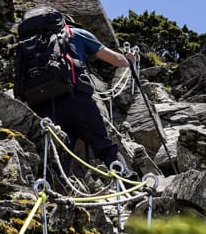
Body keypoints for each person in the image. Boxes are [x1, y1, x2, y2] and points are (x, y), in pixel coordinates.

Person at [27, 10, 135, 177]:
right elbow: (117, 60)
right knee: (104, 146)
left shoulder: (32, 43)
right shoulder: (75, 33)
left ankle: (55, 194)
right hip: (76, 100)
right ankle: (129, 183)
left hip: (42, 102)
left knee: (61, 152)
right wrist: (128, 60)